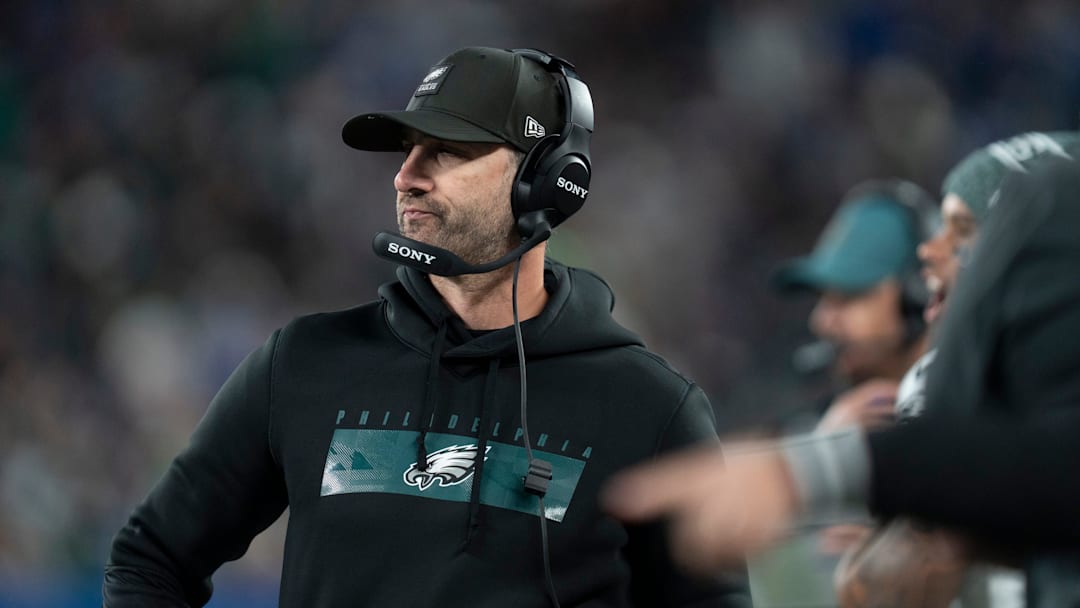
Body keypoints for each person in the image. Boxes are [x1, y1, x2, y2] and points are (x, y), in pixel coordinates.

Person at [102, 47, 749, 607]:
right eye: (409, 150)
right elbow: (149, 560)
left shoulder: (651, 412)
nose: (406, 176)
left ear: (546, 180)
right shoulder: (303, 366)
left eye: (447, 151)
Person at [602, 136, 1080, 605]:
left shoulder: (966, 409)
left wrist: (838, 475)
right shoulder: (857, 420)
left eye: (850, 295)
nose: (823, 320)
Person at [772, 180, 936, 435]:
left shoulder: (978, 410)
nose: (821, 321)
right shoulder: (827, 421)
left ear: (917, 297)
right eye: (822, 298)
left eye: (848, 296)